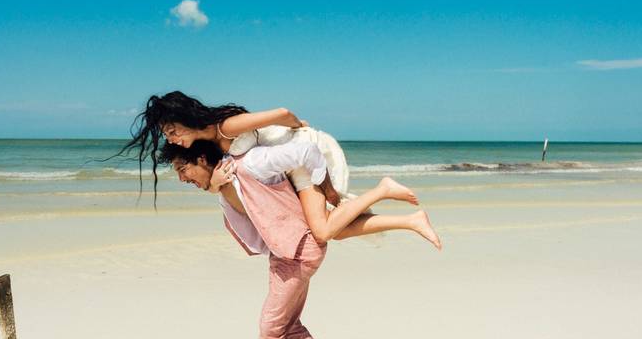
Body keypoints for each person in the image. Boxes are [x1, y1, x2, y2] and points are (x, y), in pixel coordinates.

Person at [160, 138, 418, 339]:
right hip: (286, 253)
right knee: (289, 326)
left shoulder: (248, 165)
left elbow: (304, 151)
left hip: (295, 252)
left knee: (270, 329)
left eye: (181, 169)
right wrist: (213, 186)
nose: (181, 178)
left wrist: (328, 190)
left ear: (200, 159)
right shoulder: (224, 182)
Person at [120, 91, 441, 249]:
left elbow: (282, 113)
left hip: (304, 155)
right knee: (331, 229)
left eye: (172, 130)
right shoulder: (211, 144)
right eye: (166, 133)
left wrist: (298, 126)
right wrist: (215, 185)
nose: (170, 137)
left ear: (186, 119)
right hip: (290, 162)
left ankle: (383, 189)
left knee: (323, 230)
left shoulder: (227, 127)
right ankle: (410, 221)